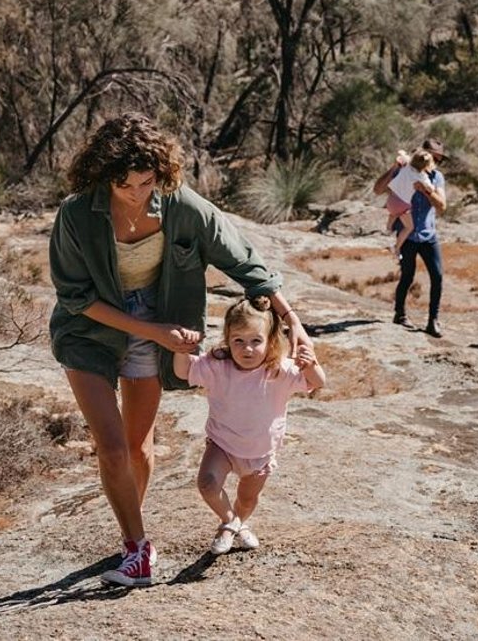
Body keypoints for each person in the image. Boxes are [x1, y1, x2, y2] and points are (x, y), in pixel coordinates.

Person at [48, 113, 312, 588]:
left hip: (159, 318)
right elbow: (76, 297)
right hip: (90, 329)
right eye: (123, 184)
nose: (135, 192)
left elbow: (245, 262)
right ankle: (137, 547)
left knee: (137, 447)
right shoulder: (76, 213)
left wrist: (292, 320)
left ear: (161, 172)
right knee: (109, 446)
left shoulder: (180, 205)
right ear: (102, 173)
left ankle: (132, 526)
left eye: (145, 182)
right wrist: (151, 331)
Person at [174, 296, 326, 556]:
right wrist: (181, 349)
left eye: (256, 341)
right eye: (238, 341)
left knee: (247, 499)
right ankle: (230, 522)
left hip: (260, 452)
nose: (247, 349)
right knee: (207, 485)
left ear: (270, 341)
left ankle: (237, 523)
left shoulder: (279, 371)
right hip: (222, 444)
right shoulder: (218, 366)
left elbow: (318, 382)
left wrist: (311, 364)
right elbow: (182, 372)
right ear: (228, 340)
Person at [373, 137, 449, 338]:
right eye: (434, 157)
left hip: (428, 234)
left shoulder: (436, 178)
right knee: (407, 275)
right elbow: (378, 190)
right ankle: (400, 313)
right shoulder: (404, 170)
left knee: (438, 275)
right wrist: (393, 168)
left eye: (439, 159)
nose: (435, 162)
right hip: (407, 234)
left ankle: (433, 320)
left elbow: (442, 206)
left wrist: (425, 192)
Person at [385, 149, 434, 258]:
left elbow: (402, 155)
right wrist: (427, 186)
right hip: (402, 204)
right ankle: (396, 248)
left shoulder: (407, 165)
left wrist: (402, 153)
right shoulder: (421, 176)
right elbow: (430, 189)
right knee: (409, 227)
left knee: (394, 213)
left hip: (391, 199)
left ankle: (388, 229)